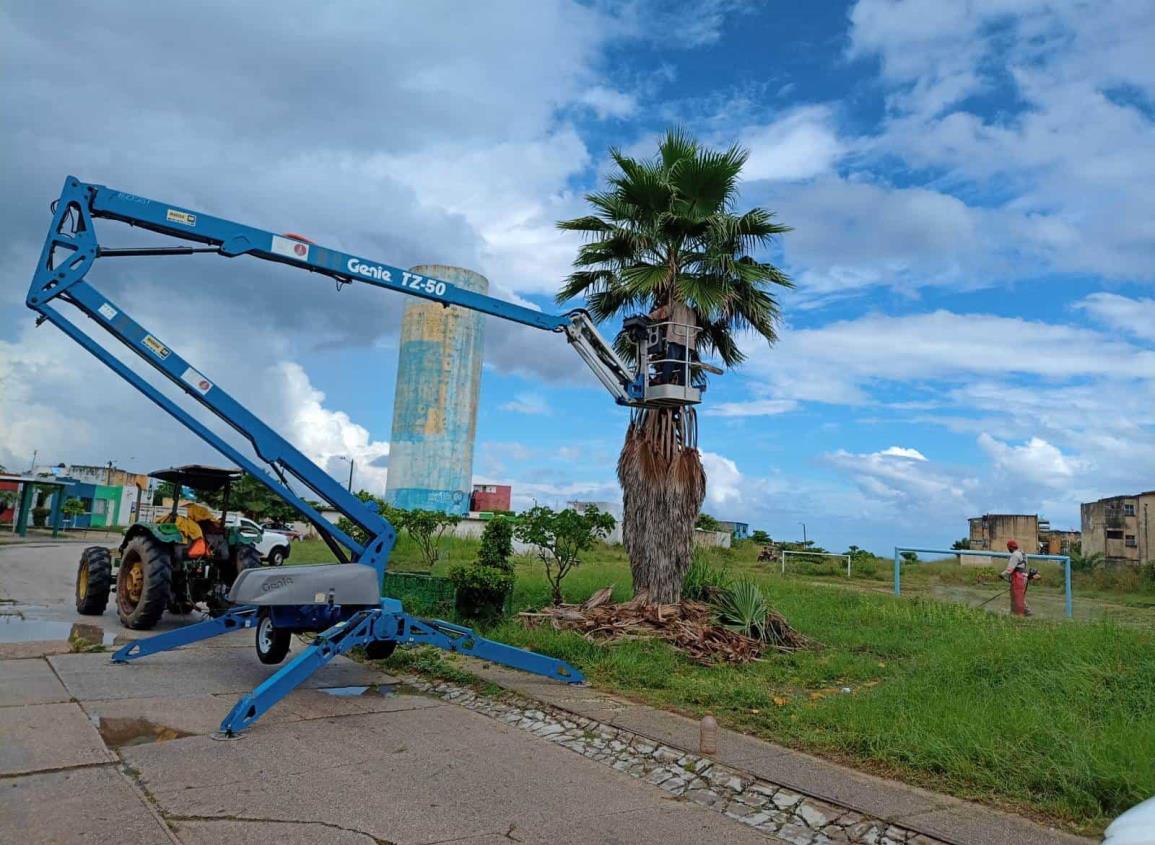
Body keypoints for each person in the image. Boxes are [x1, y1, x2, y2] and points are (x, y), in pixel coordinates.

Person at [649, 301, 697, 385]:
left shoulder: (675, 305)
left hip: (676, 338)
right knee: (684, 365)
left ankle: (664, 380)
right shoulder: (692, 311)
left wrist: (649, 316)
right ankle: (683, 384)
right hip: (688, 341)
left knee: (670, 361)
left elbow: (663, 312)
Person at [1001, 539, 1031, 616]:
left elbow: (1010, 569)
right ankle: (1018, 611)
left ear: (1010, 547)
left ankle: (1022, 612)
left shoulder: (1015, 554)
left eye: (1008, 548)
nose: (1008, 550)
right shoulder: (1023, 554)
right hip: (1024, 576)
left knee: (1016, 596)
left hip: (1018, 577)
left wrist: (1001, 575)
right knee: (1019, 595)